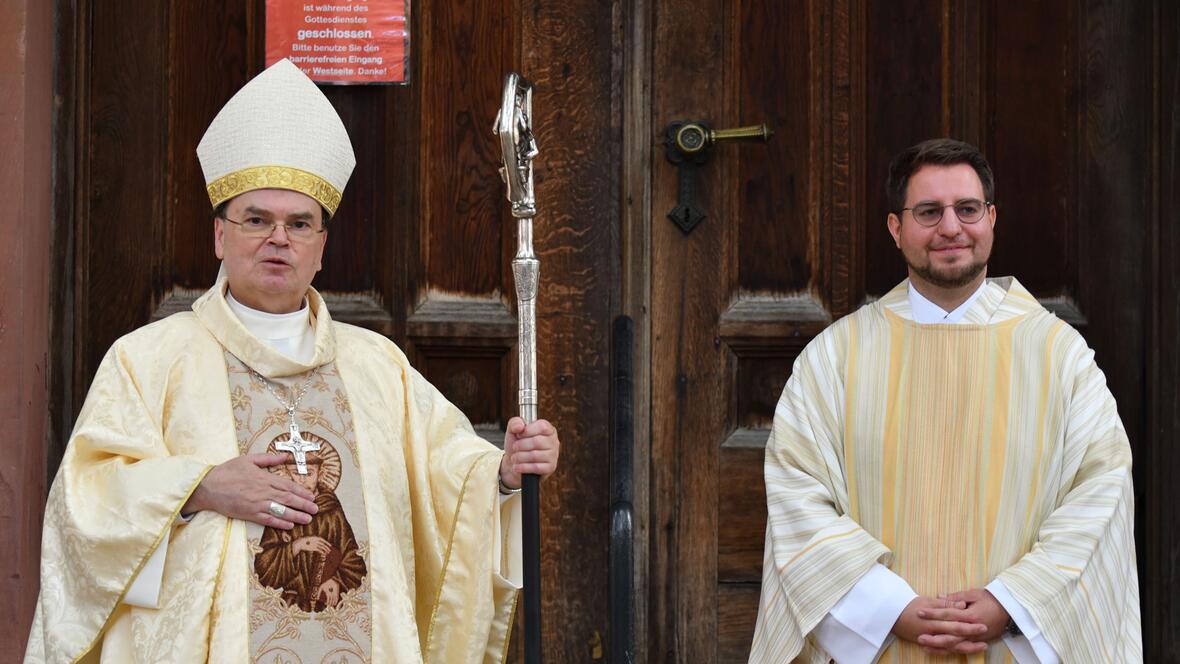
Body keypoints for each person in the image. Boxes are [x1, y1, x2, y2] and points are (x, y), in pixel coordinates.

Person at [25, 59, 560, 663]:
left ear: (321, 247)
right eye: (257, 219)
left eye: (299, 224)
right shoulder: (148, 360)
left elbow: (448, 485)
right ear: (220, 236)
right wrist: (198, 488)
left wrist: (505, 474)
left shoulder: (376, 366)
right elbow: (86, 503)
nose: (278, 238)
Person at [750, 138, 1140, 663]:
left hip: (1010, 642)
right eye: (929, 212)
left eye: (968, 209)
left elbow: (1101, 489)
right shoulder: (836, 357)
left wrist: (1011, 602)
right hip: (885, 643)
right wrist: (889, 608)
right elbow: (798, 492)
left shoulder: (1057, 354)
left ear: (992, 218)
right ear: (896, 228)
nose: (951, 227)